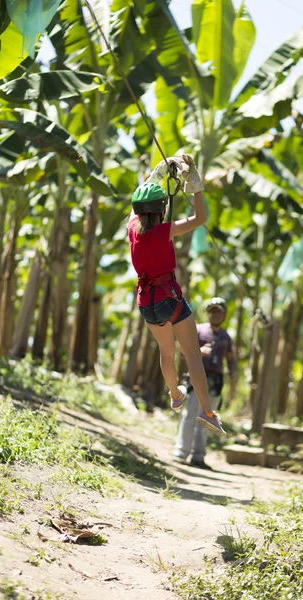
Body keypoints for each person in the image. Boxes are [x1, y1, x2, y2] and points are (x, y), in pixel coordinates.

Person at [128, 155, 226, 437]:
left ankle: (175, 396)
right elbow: (201, 218)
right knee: (193, 355)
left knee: (166, 352)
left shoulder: (132, 231)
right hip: (169, 298)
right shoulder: (164, 231)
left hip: (147, 302)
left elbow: (141, 198)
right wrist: (193, 183)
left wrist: (159, 172)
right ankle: (208, 413)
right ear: (161, 209)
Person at [174, 297, 238, 469]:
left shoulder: (226, 337)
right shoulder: (198, 330)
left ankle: (198, 457)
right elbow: (182, 352)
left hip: (215, 382)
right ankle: (181, 452)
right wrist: (199, 351)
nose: (216, 315)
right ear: (208, 313)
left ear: (224, 315)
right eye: (213, 311)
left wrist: (233, 374)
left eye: (219, 312)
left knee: (208, 419)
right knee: (190, 415)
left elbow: (230, 358)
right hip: (196, 378)